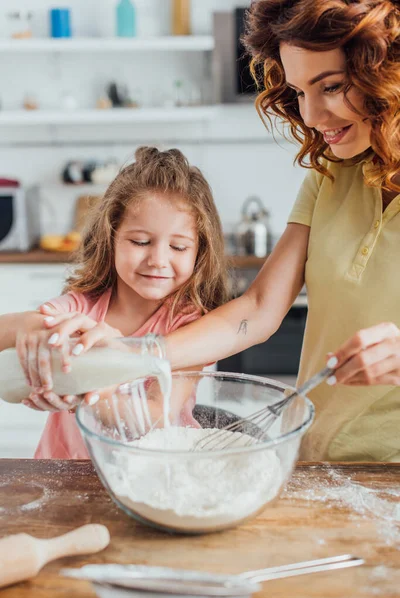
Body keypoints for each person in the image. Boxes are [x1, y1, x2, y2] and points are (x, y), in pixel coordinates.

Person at [21, 0, 399, 462]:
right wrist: (132, 353)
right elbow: (259, 308)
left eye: (332, 86)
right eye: (300, 92)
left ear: (386, 70)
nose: (312, 116)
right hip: (315, 453)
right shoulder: (330, 174)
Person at [1, 146, 228, 458]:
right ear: (110, 239)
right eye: (140, 242)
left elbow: (157, 416)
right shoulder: (80, 309)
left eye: (178, 246)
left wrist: (89, 388)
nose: (159, 260)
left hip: (153, 475)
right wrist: (34, 326)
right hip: (68, 475)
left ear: (199, 252)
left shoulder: (189, 325)